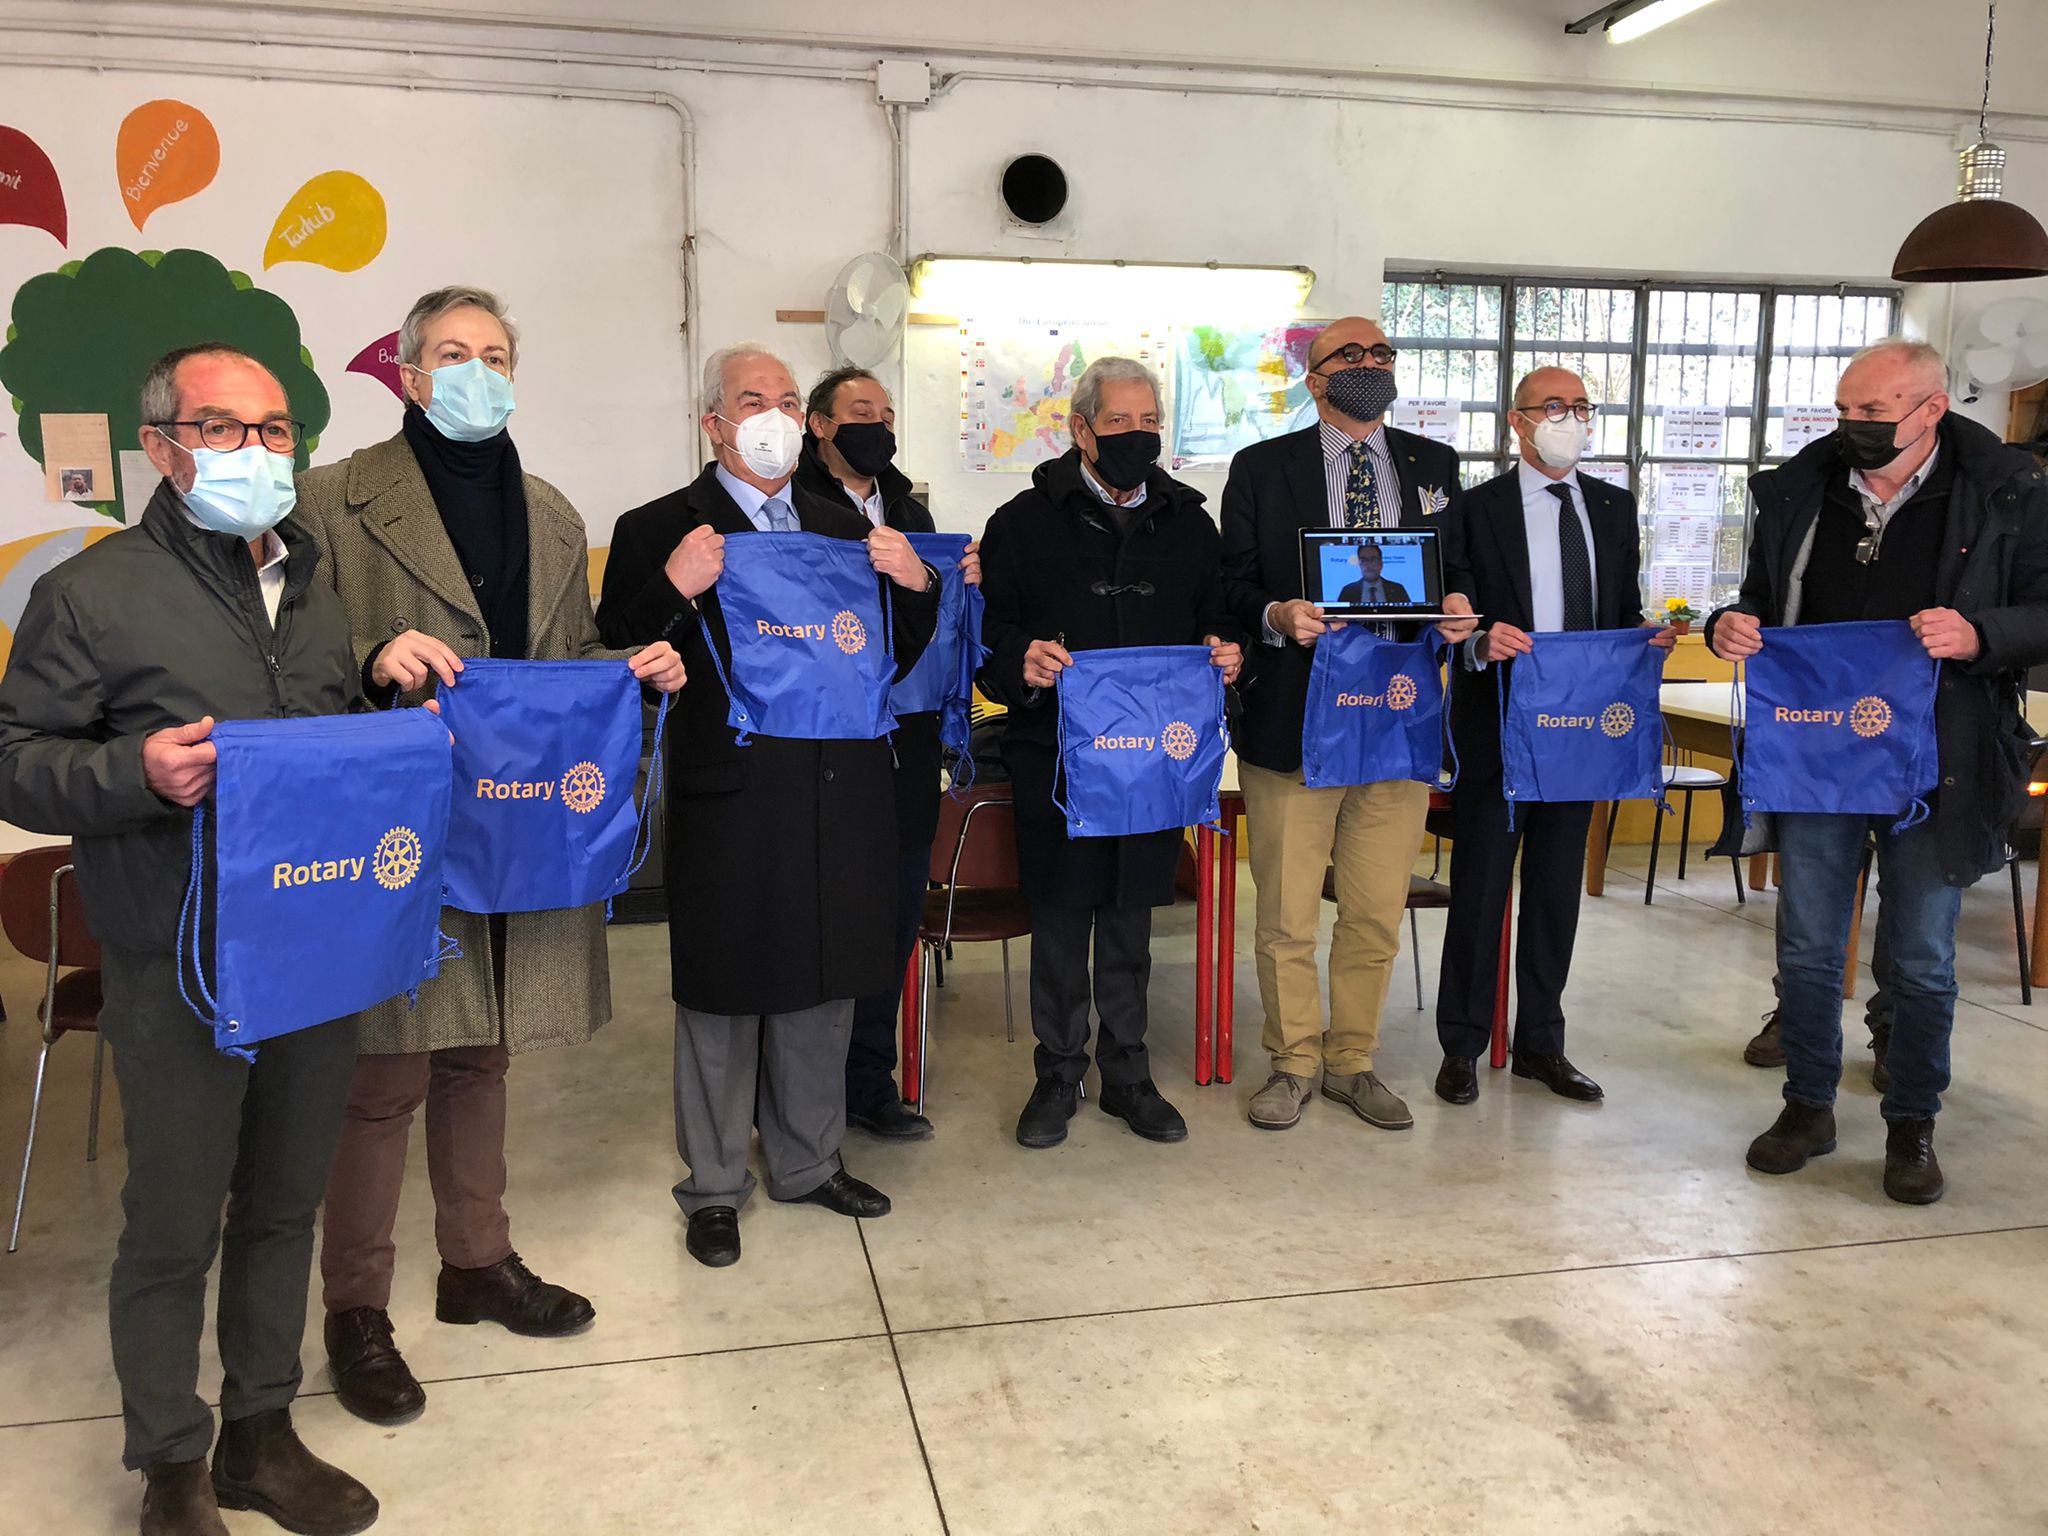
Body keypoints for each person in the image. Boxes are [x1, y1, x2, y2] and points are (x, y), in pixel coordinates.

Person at [0, 344, 378, 1536]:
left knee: (283, 1203)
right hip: (178, 958)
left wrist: (389, 693)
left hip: (312, 944)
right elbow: (16, 760)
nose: (254, 452)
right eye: (222, 428)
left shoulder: (313, 584)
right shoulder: (91, 592)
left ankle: (259, 1432)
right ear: (162, 447)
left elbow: (324, 738)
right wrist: (135, 772)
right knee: (171, 1223)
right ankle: (171, 1463)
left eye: (274, 430)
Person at [294, 286, 685, 1425]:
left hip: (514, 819)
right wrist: (373, 657)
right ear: (410, 373)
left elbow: (563, 662)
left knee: (482, 1053)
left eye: (497, 355)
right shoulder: (330, 500)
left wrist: (631, 670)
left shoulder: (552, 512)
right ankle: (356, 1311)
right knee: (382, 1076)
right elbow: (284, 661)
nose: (478, 372)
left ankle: (475, 1262)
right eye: (454, 353)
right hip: (397, 822)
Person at [595, 343, 938, 1267]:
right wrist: (673, 589)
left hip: (840, 784)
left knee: (824, 980)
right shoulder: (659, 526)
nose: (775, 416)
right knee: (724, 990)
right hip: (734, 790)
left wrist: (918, 585)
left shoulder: (842, 525)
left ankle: (808, 1160)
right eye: (754, 400)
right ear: (713, 422)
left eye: (788, 400)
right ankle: (713, 1186)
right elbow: (616, 646)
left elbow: (883, 656)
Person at [1707, 338, 2048, 1204]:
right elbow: (1759, 597)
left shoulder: (2007, 490)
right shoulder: (1801, 491)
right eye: (1843, 409)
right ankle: (1807, 1105)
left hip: (1940, 760)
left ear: (1932, 408)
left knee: (1924, 957)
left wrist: (1980, 635)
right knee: (1809, 946)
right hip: (1818, 752)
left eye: (1872, 411)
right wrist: (1730, 624)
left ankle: (1911, 1125)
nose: (1851, 425)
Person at [977, 356, 1242, 1148]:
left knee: (1131, 918)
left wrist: (1226, 651)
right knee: (1061, 919)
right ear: (1081, 430)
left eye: (1149, 420)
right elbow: (988, 639)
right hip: (1058, 758)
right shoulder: (1021, 523)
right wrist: (1020, 658)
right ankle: (1058, 1073)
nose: (1137, 434)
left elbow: (1217, 619)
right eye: (1119, 421)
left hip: (1154, 758)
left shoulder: (1191, 524)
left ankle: (1128, 1073)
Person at [1219, 315, 1473, 1133]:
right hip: (1296, 719)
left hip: (1397, 720)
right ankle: (1293, 1061)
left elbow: (1457, 567)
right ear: (1315, 377)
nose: (1373, 364)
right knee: (1288, 915)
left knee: (1374, 911)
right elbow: (1229, 584)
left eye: (1383, 353)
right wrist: (1275, 613)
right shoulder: (1263, 468)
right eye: (1352, 355)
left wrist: (1459, 601)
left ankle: (1352, 1061)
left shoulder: (1434, 464)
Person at [1435, 367, 1674, 1107]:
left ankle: (1541, 1041)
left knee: (1554, 892)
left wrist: (1644, 638)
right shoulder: (1474, 509)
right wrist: (1479, 642)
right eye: (1552, 407)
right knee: (1480, 891)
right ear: (1518, 421)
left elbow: (1620, 610)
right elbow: (1455, 620)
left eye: (1580, 407)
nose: (1568, 419)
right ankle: (1463, 1045)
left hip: (1581, 733)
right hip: (1499, 727)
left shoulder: (1612, 506)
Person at [794, 365, 980, 1141]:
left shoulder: (910, 510)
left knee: (893, 918)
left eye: (887, 412)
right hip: (821, 738)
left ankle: (869, 1084)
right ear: (820, 425)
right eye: (859, 410)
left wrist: (953, 581)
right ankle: (800, 1096)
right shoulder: (787, 508)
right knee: (816, 919)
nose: (878, 423)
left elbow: (926, 616)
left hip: (906, 739)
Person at [1335, 541, 1411, 607]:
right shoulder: (1347, 591)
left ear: (1381, 563)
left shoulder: (1398, 589)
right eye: (1364, 560)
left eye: (1373, 559)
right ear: (1359, 564)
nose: (1369, 565)